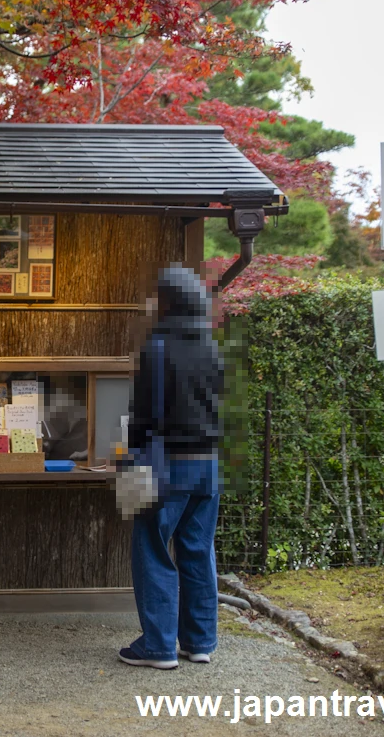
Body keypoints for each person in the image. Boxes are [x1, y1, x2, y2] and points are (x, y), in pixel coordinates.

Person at [118, 265, 224, 670]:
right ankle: (200, 643)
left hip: (166, 464)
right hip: (209, 465)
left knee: (153, 549)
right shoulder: (212, 345)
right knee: (198, 551)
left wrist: (130, 456)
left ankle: (158, 647)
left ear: (167, 301)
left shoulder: (158, 347)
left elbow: (146, 414)